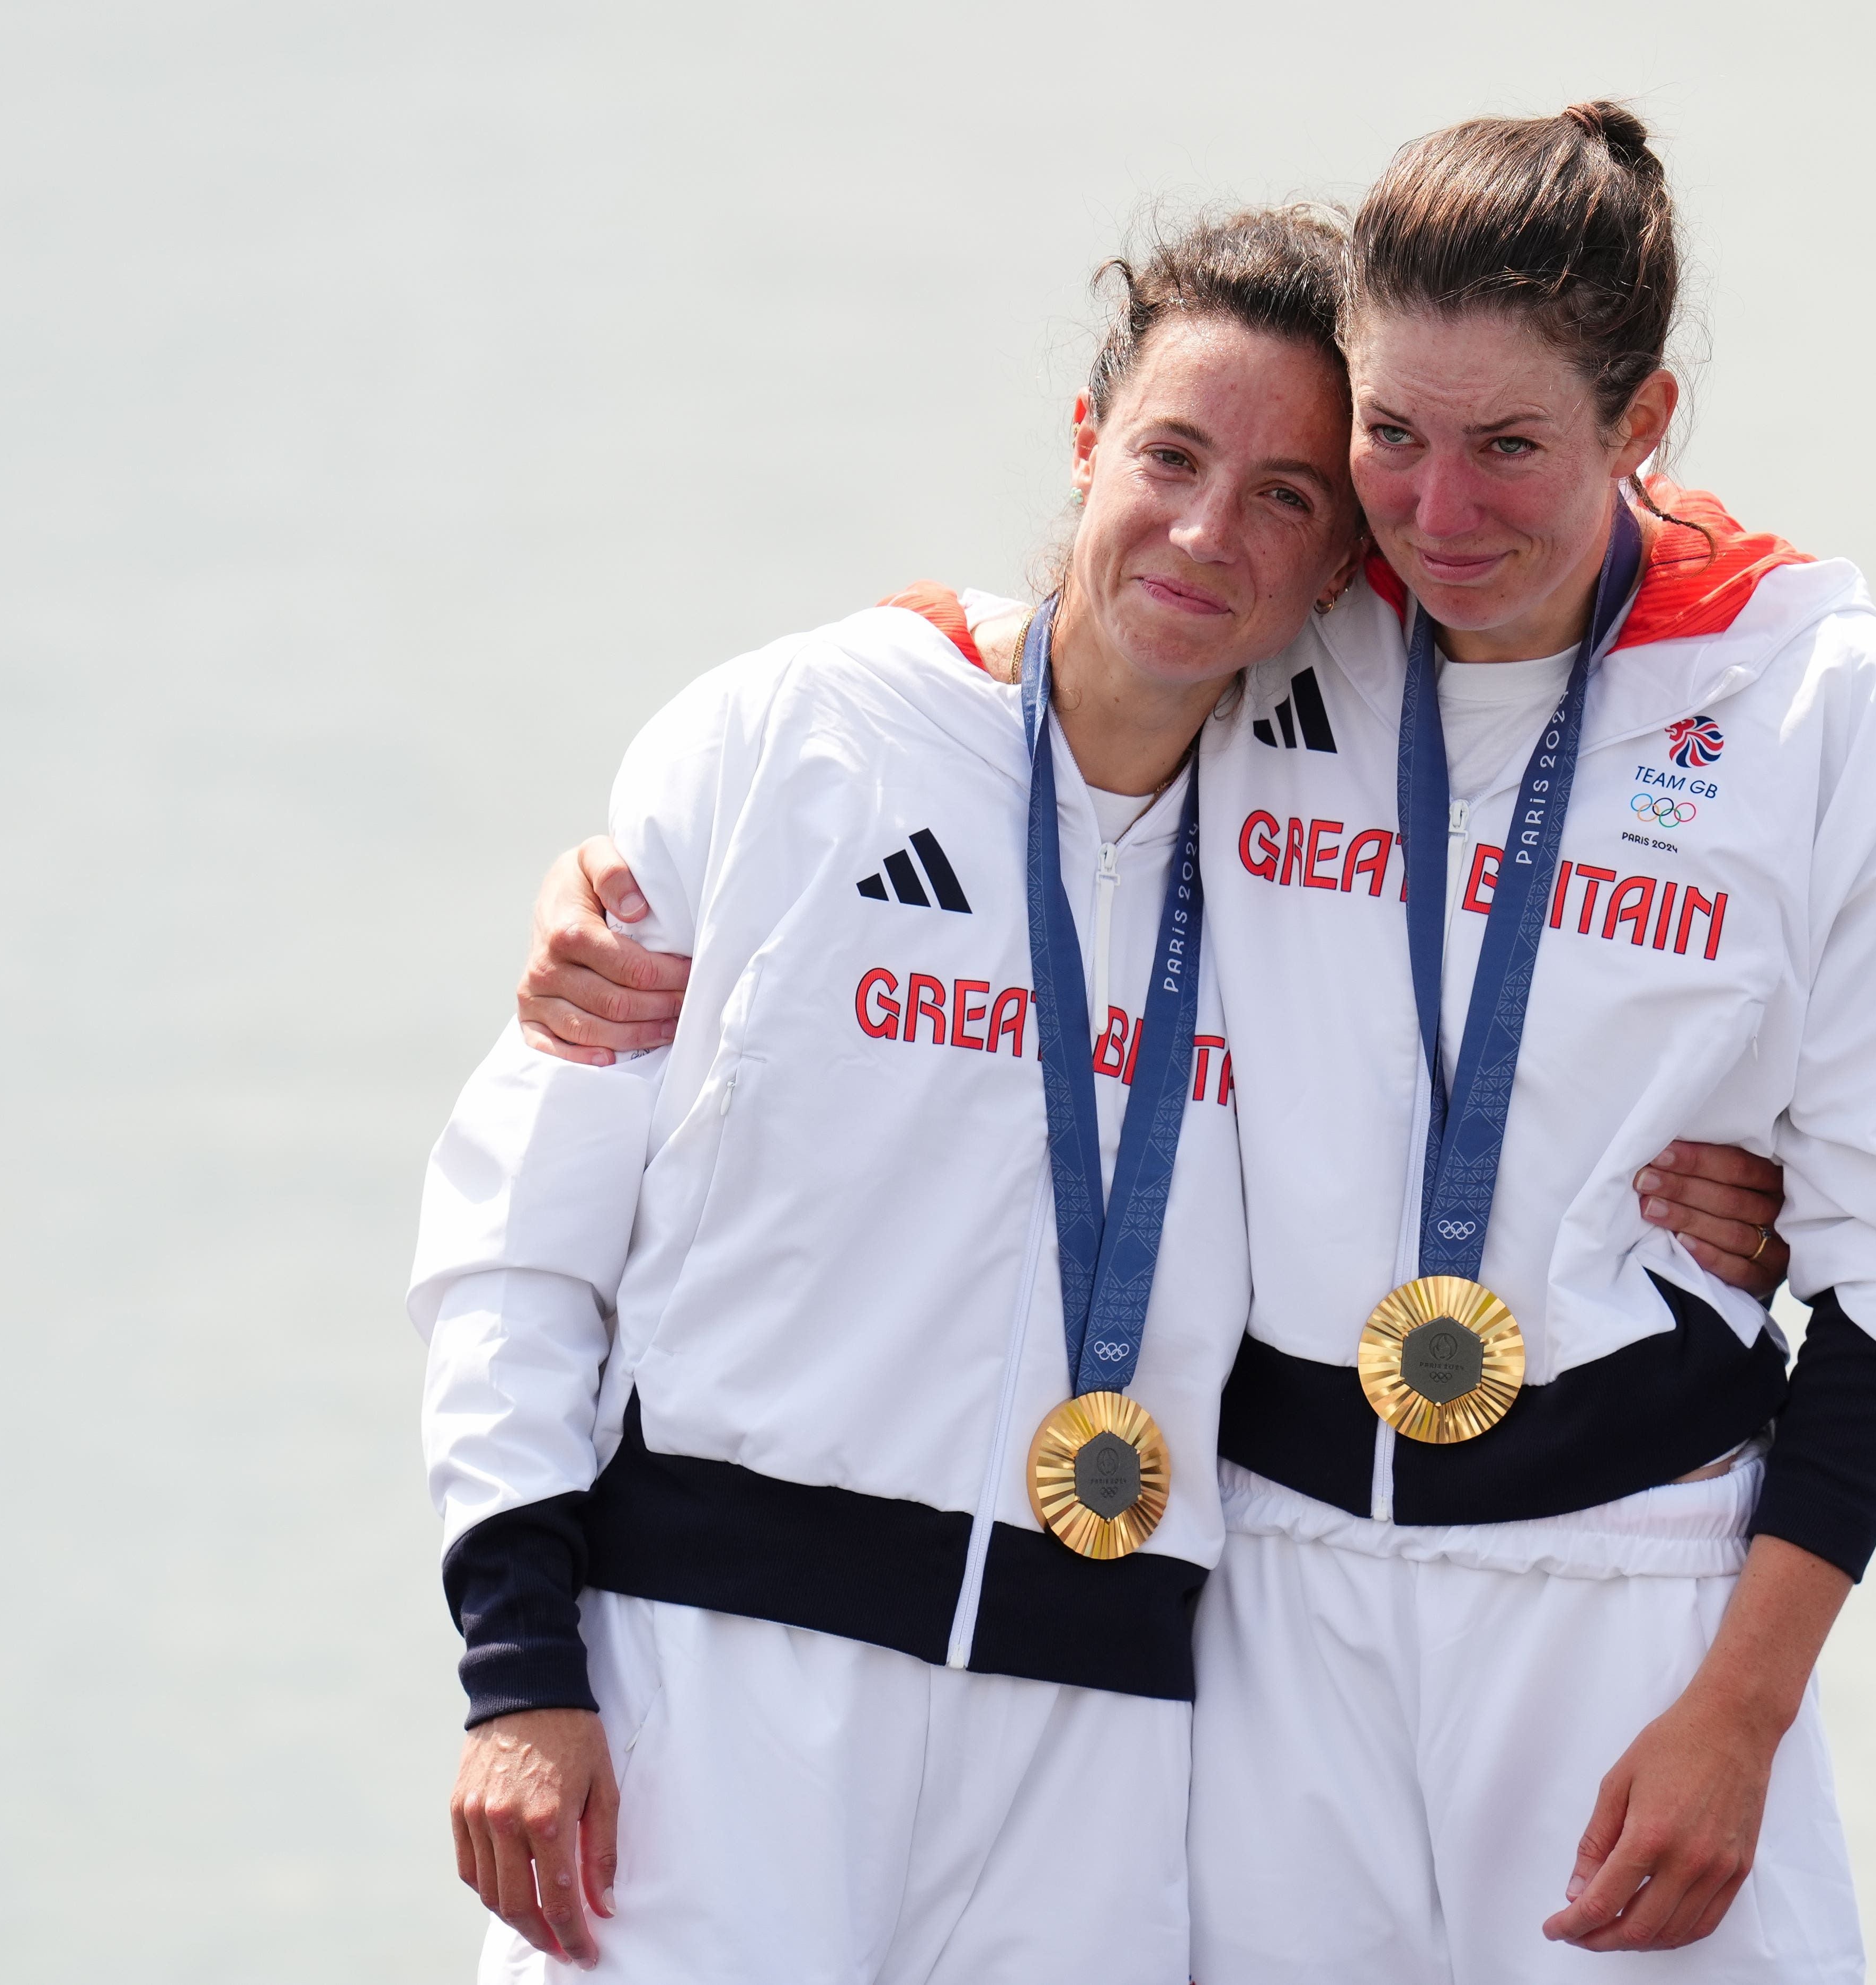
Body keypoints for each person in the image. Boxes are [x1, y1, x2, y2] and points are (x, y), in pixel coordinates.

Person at [510, 102, 1876, 1982]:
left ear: (1644, 426)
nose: (1440, 513)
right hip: (1261, 1613)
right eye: (1391, 441)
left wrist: (1739, 1708)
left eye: (1512, 447)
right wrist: (640, 874)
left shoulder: (1814, 699)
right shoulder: (1304, 622)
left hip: (1622, 1596)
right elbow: (1066, 660)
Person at [410, 207, 1363, 1981]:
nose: (1208, 529)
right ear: (1089, 446)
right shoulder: (795, 733)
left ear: (1344, 562)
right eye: (1172, 453)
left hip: (1087, 1757)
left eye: (1291, 494)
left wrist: (1730, 1188)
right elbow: (519, 1227)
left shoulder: (1332, 856)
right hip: (715, 1702)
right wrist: (521, 1671)